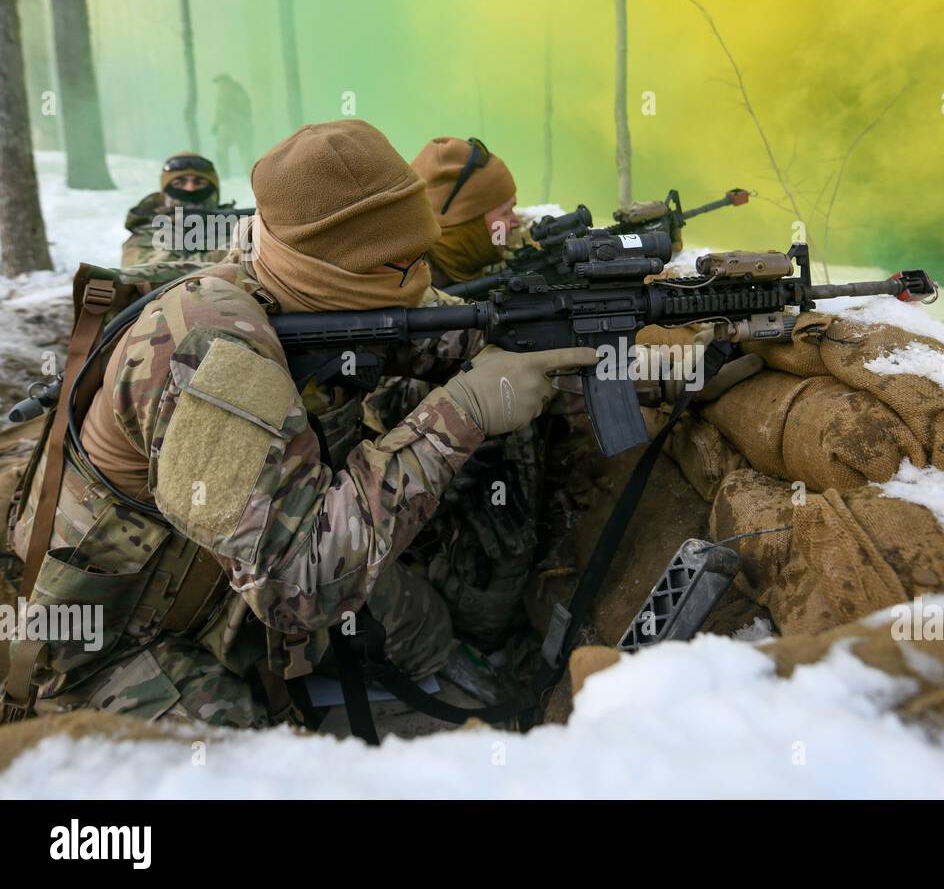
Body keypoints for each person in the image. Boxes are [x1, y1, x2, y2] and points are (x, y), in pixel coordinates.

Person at [1, 120, 596, 729]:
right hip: (105, 641)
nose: (419, 276)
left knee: (424, 630)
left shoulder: (294, 278)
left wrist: (560, 330)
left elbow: (424, 321)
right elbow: (297, 586)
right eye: (399, 262)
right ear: (340, 266)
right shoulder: (210, 350)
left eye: (423, 251)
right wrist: (462, 414)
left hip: (212, 577)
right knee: (253, 762)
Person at [411, 137, 520, 288]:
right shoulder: (406, 289)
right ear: (469, 224)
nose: (516, 223)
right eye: (506, 213)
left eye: (512, 208)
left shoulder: (487, 252)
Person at [120, 153, 236, 267]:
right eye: (178, 183)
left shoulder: (237, 227)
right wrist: (233, 255)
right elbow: (153, 274)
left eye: (200, 183)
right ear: (164, 195)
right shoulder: (145, 232)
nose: (190, 189)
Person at [211, 74, 254, 175]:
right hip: (226, 126)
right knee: (221, 150)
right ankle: (224, 174)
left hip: (239, 126)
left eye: (220, 82)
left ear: (226, 81)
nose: (219, 85)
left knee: (245, 151)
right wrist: (216, 124)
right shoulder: (222, 93)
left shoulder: (237, 90)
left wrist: (235, 116)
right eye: (218, 83)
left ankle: (251, 174)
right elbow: (220, 111)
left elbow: (245, 107)